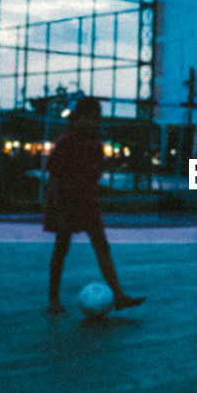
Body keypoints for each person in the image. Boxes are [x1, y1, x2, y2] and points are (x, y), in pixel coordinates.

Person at [44, 96, 145, 315]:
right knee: (61, 249)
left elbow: (93, 176)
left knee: (102, 247)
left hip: (88, 203)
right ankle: (53, 297)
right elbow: (53, 178)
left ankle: (117, 294)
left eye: (95, 118)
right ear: (76, 119)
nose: (92, 123)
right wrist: (56, 206)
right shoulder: (65, 144)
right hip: (66, 203)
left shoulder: (96, 147)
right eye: (87, 118)